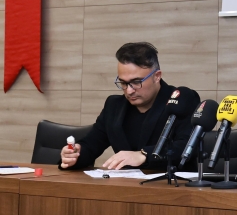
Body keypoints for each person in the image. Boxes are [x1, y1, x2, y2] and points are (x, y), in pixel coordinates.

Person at [59, 42, 200, 170]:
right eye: (123, 83)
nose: (129, 90)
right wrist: (75, 155)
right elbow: (92, 144)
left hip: (172, 185)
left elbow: (187, 146)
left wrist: (144, 155)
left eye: (136, 82)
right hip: (127, 186)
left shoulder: (181, 99)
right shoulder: (114, 106)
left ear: (157, 76)